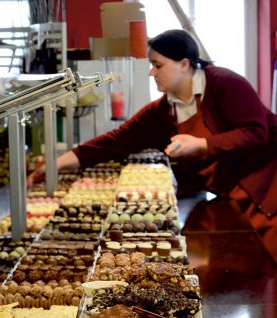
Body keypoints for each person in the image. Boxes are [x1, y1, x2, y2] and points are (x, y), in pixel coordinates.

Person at [28, 29, 277, 262]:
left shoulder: (225, 83)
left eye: (158, 65)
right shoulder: (162, 111)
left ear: (184, 64)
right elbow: (115, 141)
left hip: (267, 188)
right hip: (232, 197)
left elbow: (255, 133)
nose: (151, 72)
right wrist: (54, 166)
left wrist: (201, 143)